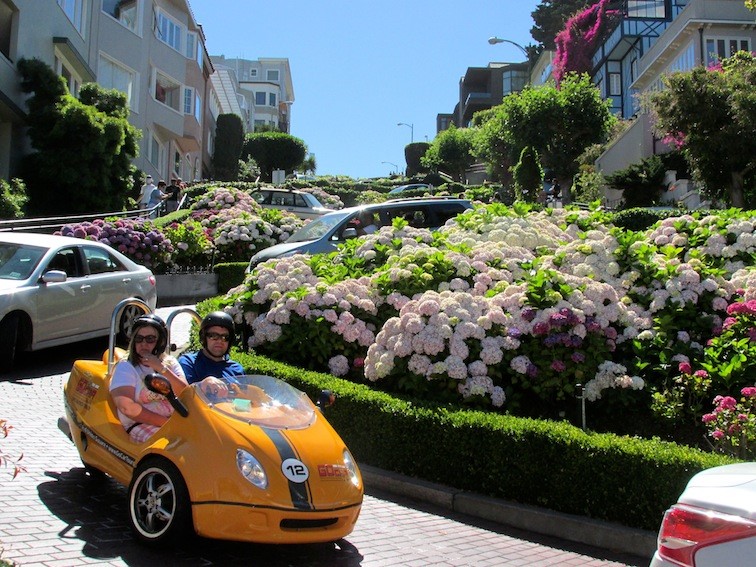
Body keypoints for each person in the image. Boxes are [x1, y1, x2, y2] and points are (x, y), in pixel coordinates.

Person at [109, 314, 187, 443]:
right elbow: (127, 408)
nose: (143, 344)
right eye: (139, 339)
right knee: (174, 446)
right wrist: (167, 424)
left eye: (150, 339)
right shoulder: (126, 367)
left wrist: (161, 368)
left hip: (176, 421)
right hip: (140, 424)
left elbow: (185, 393)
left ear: (160, 342)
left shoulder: (170, 363)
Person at [178, 311, 244, 396]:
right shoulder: (189, 362)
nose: (219, 341)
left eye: (225, 337)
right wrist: (202, 385)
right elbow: (183, 395)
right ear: (204, 337)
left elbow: (244, 402)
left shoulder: (237, 369)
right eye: (213, 336)